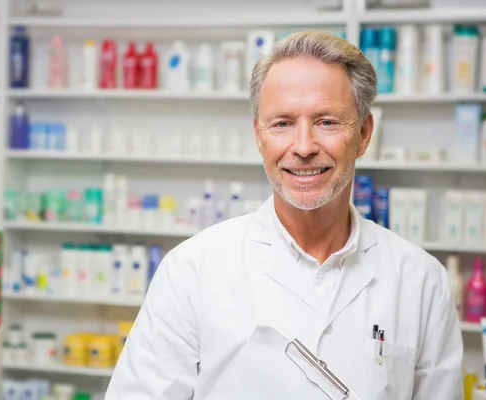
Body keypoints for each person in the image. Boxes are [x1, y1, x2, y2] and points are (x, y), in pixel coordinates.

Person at [104, 30, 463, 400]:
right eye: (282, 124)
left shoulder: (422, 281)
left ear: (364, 134)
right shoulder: (191, 270)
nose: (304, 147)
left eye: (326, 121)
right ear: (259, 136)